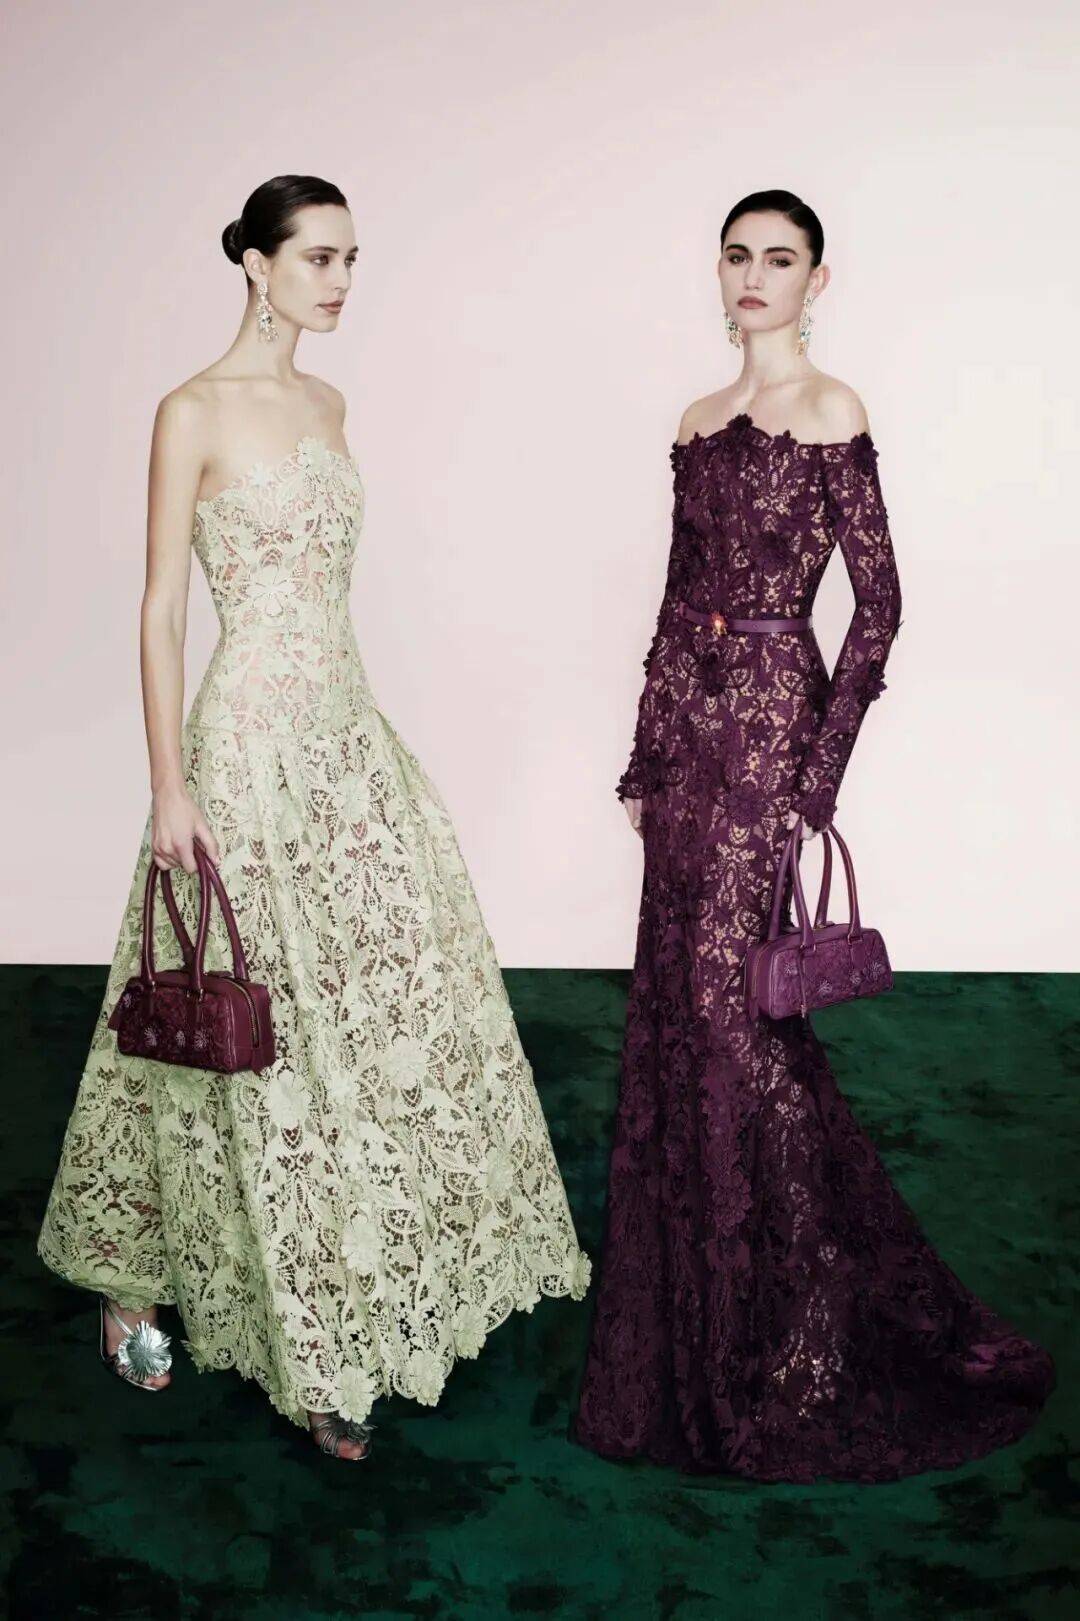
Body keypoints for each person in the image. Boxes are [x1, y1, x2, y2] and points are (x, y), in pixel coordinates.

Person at [38, 173, 590, 1462]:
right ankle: (278, 1332)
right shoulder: (191, 410)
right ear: (256, 262)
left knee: (368, 999)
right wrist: (167, 783)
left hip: (345, 734)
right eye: (320, 258)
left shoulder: (331, 404)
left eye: (351, 259)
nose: (341, 281)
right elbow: (162, 607)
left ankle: (363, 1276)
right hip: (242, 744)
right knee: (236, 1013)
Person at [571, 190, 1054, 1482]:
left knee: (743, 1019)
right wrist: (644, 757)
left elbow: (880, 607)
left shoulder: (835, 411)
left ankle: (805, 1318)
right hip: (690, 744)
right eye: (737, 255)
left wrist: (815, 777)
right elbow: (675, 604)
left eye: (778, 259)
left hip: (775, 734)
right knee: (679, 1014)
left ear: (816, 280)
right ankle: (706, 1319)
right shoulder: (694, 421)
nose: (753, 277)